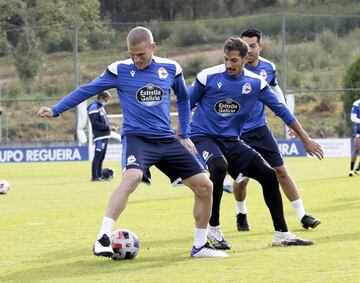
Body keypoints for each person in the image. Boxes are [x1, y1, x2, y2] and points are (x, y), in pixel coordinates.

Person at [37, 26, 228, 258]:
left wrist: (185, 133)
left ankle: (200, 246)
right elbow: (86, 90)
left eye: (141, 54)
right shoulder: (119, 70)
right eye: (131, 55)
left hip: (166, 139)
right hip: (137, 138)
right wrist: (56, 110)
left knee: (205, 186)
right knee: (133, 177)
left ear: (152, 47)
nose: (136, 59)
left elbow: (184, 100)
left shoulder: (171, 68)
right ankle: (103, 238)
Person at [189, 36, 324, 249]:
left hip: (231, 140)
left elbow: (281, 110)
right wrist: (181, 134)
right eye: (226, 60)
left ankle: (282, 234)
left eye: (234, 60)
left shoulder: (255, 83)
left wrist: (304, 138)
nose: (228, 65)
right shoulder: (208, 77)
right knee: (218, 167)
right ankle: (213, 229)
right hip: (204, 136)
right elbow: (186, 103)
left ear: (245, 58)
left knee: (270, 175)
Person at [221, 28, 320, 232]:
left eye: (252, 46)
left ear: (260, 46)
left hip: (260, 129)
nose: (248, 50)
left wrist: (288, 121)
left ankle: (302, 215)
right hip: (237, 133)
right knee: (242, 179)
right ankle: (241, 212)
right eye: (244, 46)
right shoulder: (230, 71)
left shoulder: (269, 68)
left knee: (281, 171)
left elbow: (275, 91)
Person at [87, 91, 117, 181]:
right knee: (98, 156)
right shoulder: (93, 107)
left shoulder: (100, 107)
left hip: (104, 135)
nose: (106, 102)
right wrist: (108, 127)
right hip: (99, 136)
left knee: (101, 157)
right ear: (100, 98)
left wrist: (109, 128)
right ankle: (95, 176)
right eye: (106, 100)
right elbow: (95, 123)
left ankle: (100, 175)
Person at [349, 98, 360, 176]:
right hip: (359, 129)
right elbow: (353, 118)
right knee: (356, 148)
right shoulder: (357, 103)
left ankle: (358, 167)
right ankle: (351, 170)